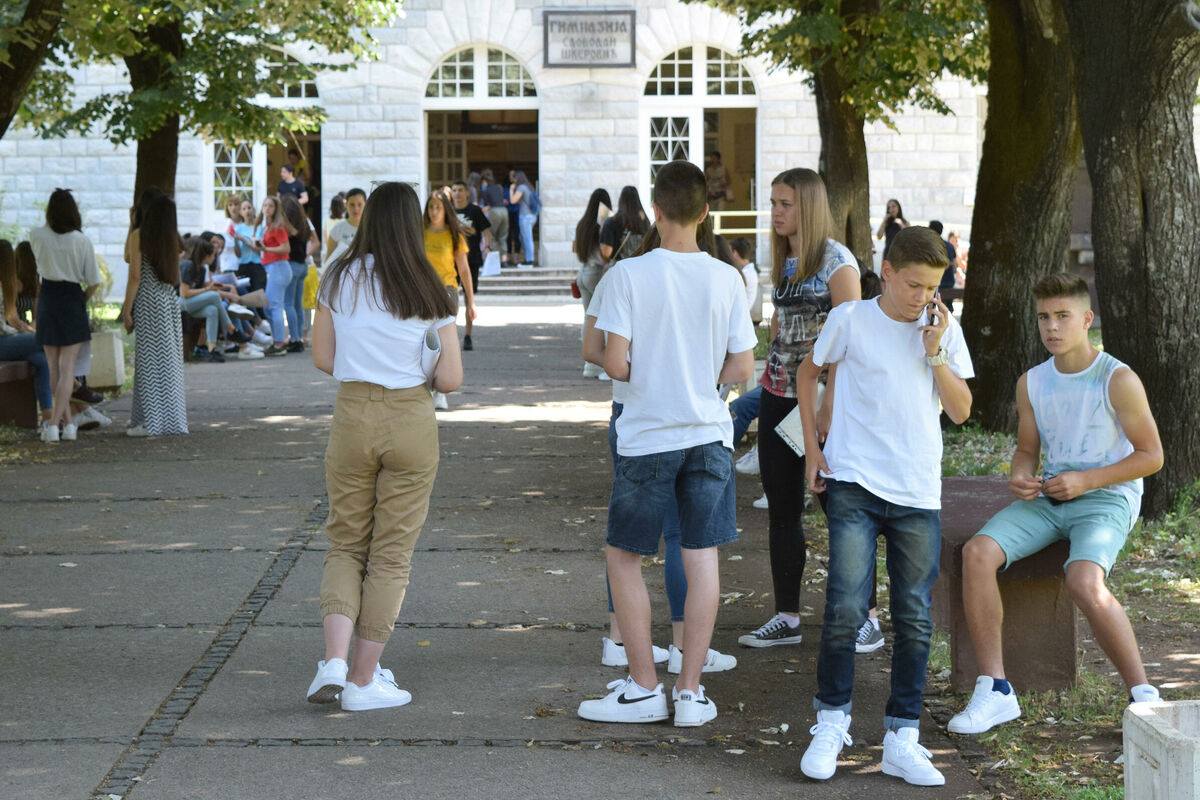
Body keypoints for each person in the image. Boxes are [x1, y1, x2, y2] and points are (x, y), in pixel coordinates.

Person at [577, 160, 756, 728]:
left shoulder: (627, 275)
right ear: (705, 213)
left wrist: (653, 375)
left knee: (625, 557)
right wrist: (699, 380)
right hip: (707, 433)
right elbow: (742, 367)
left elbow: (614, 361)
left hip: (647, 434)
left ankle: (643, 687)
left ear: (655, 210)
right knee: (701, 557)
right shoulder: (726, 278)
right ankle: (691, 692)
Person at [948, 273, 1163, 736]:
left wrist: (1086, 480)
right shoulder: (1032, 382)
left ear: (1086, 319)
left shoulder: (1117, 378)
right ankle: (995, 689)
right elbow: (1027, 450)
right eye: (1044, 317)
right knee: (977, 553)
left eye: (1063, 316)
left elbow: (1151, 456)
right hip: (1051, 496)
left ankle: (1144, 696)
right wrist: (1020, 474)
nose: (1052, 326)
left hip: (1107, 496)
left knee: (1083, 581)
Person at [794, 225, 972, 786]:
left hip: (916, 489)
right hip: (854, 480)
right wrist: (813, 450)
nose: (923, 297)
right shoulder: (851, 320)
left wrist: (935, 352)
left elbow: (962, 410)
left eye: (933, 287)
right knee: (846, 606)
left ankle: (903, 737)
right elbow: (808, 372)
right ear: (888, 272)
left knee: (914, 616)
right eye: (914, 284)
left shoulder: (942, 328)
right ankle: (831, 722)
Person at [306, 181, 463, 712]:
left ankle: (333, 660)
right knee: (391, 555)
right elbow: (451, 378)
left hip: (353, 414)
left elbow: (323, 357)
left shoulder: (337, 276)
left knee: (346, 543)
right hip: (410, 417)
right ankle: (362, 679)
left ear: (368, 218)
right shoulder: (429, 285)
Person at [737, 168, 860, 649]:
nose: (775, 212)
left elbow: (852, 343)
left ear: (807, 206)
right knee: (782, 508)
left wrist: (831, 407)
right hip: (778, 397)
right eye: (772, 203)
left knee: (839, 508)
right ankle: (786, 617)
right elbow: (782, 325)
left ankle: (864, 615)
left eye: (785, 204)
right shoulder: (784, 258)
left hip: (822, 401)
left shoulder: (838, 262)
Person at [29, 189, 103, 443]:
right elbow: (93, 281)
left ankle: (66, 423)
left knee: (53, 367)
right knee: (67, 367)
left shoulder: (36, 235)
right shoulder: (81, 240)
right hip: (72, 297)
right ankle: (57, 425)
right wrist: (82, 299)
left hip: (48, 298)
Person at [122, 193, 188, 438]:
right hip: (168, 300)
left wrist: (126, 308)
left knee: (149, 362)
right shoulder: (171, 237)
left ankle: (152, 422)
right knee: (167, 362)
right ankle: (163, 419)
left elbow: (134, 275)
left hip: (148, 300)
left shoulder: (140, 235)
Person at [423, 188, 477, 409]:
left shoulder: (454, 235)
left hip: (447, 291)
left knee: (443, 342)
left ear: (445, 209)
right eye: (431, 207)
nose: (434, 211)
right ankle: (425, 387)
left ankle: (440, 391)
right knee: (423, 341)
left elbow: (464, 270)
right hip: (423, 291)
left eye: (438, 207)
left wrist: (471, 302)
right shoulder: (419, 233)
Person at [0, 240, 53, 426]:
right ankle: (77, 388)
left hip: (8, 338)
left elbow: (12, 319)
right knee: (50, 341)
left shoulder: (6, 286)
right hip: (3, 341)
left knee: (42, 359)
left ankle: (48, 418)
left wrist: (25, 329)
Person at [178, 237, 252, 362]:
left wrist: (211, 289)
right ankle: (231, 329)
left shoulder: (202, 269)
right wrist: (207, 290)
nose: (214, 258)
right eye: (213, 255)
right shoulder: (188, 265)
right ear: (205, 255)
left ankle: (211, 349)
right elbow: (184, 293)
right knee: (214, 296)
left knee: (212, 310)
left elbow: (203, 290)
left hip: (192, 304)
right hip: (180, 303)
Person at [573, 188, 613, 378]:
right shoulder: (603, 222)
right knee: (603, 319)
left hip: (583, 271)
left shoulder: (583, 223)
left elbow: (575, 247)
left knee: (588, 318)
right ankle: (601, 364)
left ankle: (589, 366)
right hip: (597, 272)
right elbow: (606, 252)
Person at [450, 180, 491, 351]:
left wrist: (487, 247)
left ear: (467, 192)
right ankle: (450, 335)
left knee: (469, 298)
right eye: (454, 190)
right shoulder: (447, 210)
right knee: (450, 299)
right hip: (450, 261)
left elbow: (486, 232)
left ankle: (467, 335)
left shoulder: (475, 211)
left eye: (460, 190)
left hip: (471, 259)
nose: (457, 193)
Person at [281, 194, 319, 352]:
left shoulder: (286, 225)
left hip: (291, 265)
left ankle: (295, 338)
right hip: (302, 265)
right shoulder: (304, 222)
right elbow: (316, 242)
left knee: (288, 304)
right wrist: (305, 254)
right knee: (298, 304)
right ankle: (299, 337)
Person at [256, 195, 293, 356]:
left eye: (270, 206)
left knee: (274, 306)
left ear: (276, 208)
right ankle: (277, 340)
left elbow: (286, 248)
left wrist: (266, 249)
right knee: (269, 307)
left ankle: (279, 343)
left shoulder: (278, 227)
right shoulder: (268, 226)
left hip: (279, 267)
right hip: (273, 268)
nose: (267, 208)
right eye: (265, 205)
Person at [599, 186, 650, 266]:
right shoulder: (645, 222)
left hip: (619, 268)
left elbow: (606, 253)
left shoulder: (611, 222)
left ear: (621, 201)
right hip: (640, 267)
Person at [479, 169, 510, 267]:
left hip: (494, 211)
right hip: (504, 211)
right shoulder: (499, 187)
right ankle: (504, 261)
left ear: (485, 181)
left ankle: (493, 261)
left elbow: (486, 205)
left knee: (491, 235)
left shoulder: (486, 191)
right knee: (503, 237)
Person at [509, 170, 539, 267]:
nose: (514, 180)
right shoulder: (529, 187)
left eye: (515, 178)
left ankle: (529, 261)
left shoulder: (521, 187)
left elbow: (513, 201)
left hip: (525, 217)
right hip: (531, 216)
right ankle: (528, 259)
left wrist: (511, 190)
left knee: (527, 238)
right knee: (523, 237)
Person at [326, 188, 365, 262]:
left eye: (359, 204)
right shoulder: (337, 229)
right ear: (346, 205)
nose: (356, 209)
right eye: (352, 205)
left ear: (365, 205)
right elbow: (328, 260)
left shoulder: (371, 230)